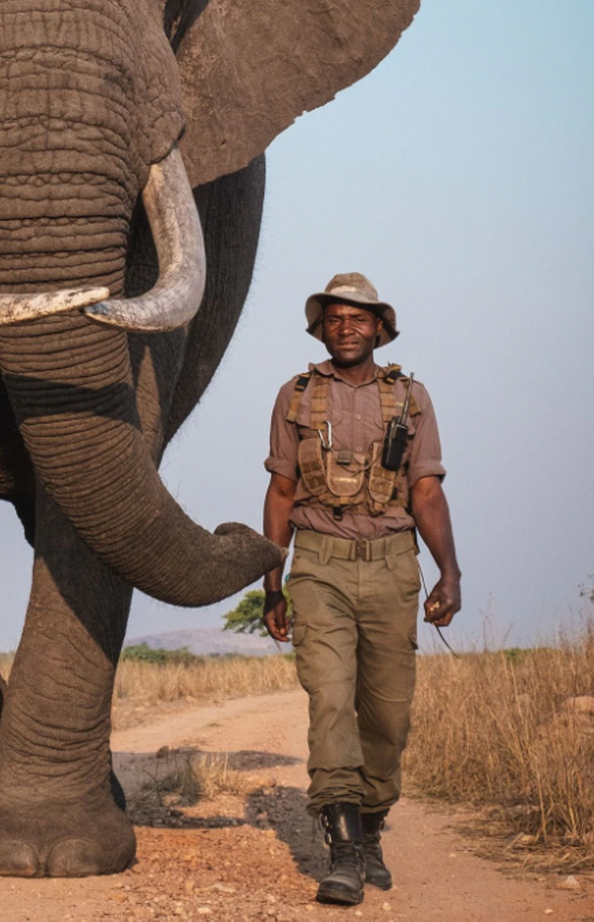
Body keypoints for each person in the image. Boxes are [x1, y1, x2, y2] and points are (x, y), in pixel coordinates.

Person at [261, 273, 461, 907]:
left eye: (359, 318)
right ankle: (342, 848)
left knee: (388, 715)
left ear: (380, 327)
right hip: (318, 562)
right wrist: (273, 579)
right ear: (321, 329)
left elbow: (426, 490)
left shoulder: (412, 397)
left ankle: (371, 827)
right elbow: (282, 491)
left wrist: (449, 572)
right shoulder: (294, 396)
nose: (346, 328)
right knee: (330, 699)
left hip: (393, 565)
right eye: (334, 319)